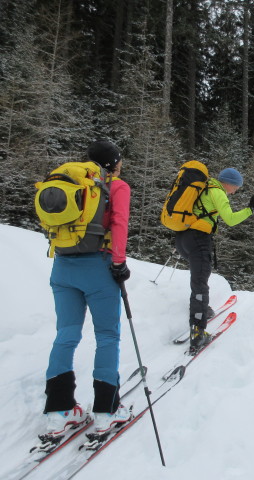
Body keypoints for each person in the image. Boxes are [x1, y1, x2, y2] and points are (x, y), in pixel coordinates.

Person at [43, 140, 132, 438]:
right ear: (115, 162)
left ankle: (58, 411)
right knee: (107, 335)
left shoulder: (73, 183)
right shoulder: (116, 186)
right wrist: (119, 262)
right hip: (99, 267)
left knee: (66, 334)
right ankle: (107, 411)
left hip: (63, 266)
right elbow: (119, 223)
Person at [175, 167, 254, 350]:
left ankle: (202, 310)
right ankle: (197, 333)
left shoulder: (205, 188)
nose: (236, 190)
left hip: (183, 238)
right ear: (228, 182)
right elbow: (230, 219)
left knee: (199, 279)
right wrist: (250, 210)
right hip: (198, 239)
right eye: (236, 186)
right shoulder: (217, 191)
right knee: (200, 284)